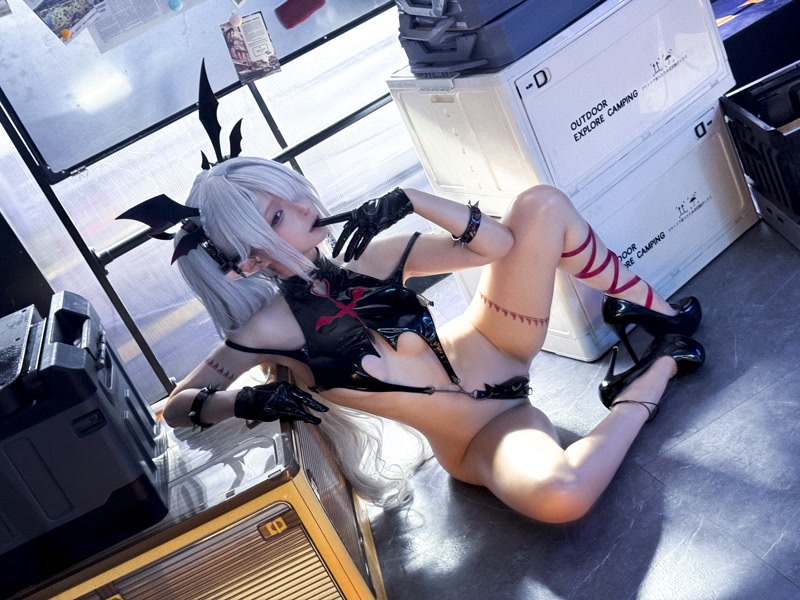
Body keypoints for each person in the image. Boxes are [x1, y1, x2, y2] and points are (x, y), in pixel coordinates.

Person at [151, 155, 703, 524]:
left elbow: (499, 245)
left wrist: (413, 199)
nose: (303, 208)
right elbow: (174, 409)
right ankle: (653, 374)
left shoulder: (369, 257)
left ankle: (660, 314)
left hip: (498, 340)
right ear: (248, 261)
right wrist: (244, 401)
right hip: (483, 434)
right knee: (562, 497)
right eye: (278, 215)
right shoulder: (262, 334)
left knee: (541, 204)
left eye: (293, 195)